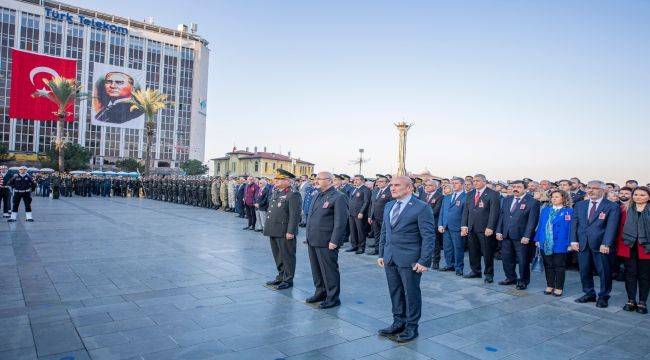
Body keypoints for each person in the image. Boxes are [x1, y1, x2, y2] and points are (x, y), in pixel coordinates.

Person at [377, 176, 435, 343]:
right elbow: (384, 232)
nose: (392, 188)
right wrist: (381, 253)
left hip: (410, 259)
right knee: (395, 292)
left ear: (409, 188)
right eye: (391, 185)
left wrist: (424, 261)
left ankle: (411, 327)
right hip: (390, 257)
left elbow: (428, 236)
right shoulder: (389, 205)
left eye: (397, 185)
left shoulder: (421, 207)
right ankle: (398, 322)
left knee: (411, 293)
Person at [571, 180, 621, 308]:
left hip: (601, 245)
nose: (590, 190)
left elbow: (612, 227)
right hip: (583, 243)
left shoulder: (612, 206)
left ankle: (603, 296)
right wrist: (573, 240)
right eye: (588, 188)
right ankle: (589, 293)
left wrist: (606, 243)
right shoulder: (580, 205)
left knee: (604, 271)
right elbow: (574, 224)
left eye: (594, 188)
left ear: (603, 190)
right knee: (584, 270)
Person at [305, 172, 348, 309]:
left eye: (319, 179)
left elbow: (340, 221)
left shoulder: (338, 197)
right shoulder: (317, 194)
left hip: (327, 240)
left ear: (329, 181)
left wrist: (334, 240)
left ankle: (333, 297)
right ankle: (320, 292)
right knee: (316, 268)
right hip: (313, 238)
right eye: (316, 178)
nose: (316, 181)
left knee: (329, 270)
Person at [496, 180, 540, 290]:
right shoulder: (507, 200)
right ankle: (510, 277)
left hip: (522, 237)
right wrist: (498, 231)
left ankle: (523, 281)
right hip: (506, 234)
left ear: (525, 189)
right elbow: (502, 216)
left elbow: (532, 221)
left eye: (519, 187)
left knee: (523, 260)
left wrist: (527, 235)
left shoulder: (532, 202)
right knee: (506, 258)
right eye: (514, 186)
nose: (516, 188)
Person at [263, 169, 302, 290]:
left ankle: (288, 279)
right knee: (278, 255)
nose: (276, 181)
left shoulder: (293, 194)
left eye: (279, 179)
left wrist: (291, 231)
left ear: (287, 181)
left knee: (287, 256)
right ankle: (280, 276)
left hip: (284, 231)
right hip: (274, 229)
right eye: (276, 179)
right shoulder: (277, 192)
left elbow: (294, 215)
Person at [461, 174, 501, 283]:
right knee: (473, 251)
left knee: (487, 252)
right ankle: (475, 271)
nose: (475, 182)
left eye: (478, 180)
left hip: (485, 228)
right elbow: (466, 211)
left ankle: (489, 274)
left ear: (484, 181)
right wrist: (464, 226)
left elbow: (494, 212)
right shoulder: (470, 194)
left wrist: (490, 227)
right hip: (472, 227)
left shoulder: (493, 194)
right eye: (474, 181)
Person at [534, 190, 573, 296]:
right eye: (553, 197)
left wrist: (570, 243)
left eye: (557, 197)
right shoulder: (546, 210)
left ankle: (559, 287)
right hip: (545, 241)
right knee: (548, 265)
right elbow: (541, 225)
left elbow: (571, 229)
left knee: (559, 265)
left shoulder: (569, 211)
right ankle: (550, 285)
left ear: (564, 199)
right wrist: (537, 239)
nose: (554, 198)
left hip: (561, 242)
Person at [618, 186, 650, 314]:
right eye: (636, 194)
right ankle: (631, 300)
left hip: (646, 248)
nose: (638, 197)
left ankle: (642, 302)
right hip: (628, 246)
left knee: (644, 276)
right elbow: (619, 229)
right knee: (630, 274)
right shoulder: (624, 209)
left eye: (642, 195)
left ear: (648, 197)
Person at [438, 177, 467, 276]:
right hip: (446, 226)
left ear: (462, 184)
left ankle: (458, 267)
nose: (454, 185)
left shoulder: (466, 197)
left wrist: (464, 226)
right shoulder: (447, 197)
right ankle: (449, 265)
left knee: (458, 248)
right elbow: (442, 211)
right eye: (453, 183)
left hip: (458, 226)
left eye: (456, 183)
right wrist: (440, 224)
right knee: (447, 247)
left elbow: (465, 214)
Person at [419, 179, 444, 269]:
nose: (427, 187)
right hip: (421, 222)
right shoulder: (423, 195)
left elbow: (436, 210)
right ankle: (424, 260)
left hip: (433, 223)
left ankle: (435, 262)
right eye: (426, 185)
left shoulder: (440, 196)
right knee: (422, 242)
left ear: (435, 187)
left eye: (429, 185)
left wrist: (422, 216)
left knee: (435, 243)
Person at [346, 175, 371, 254]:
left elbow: (366, 202)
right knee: (353, 231)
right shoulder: (353, 189)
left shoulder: (365, 189)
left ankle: (361, 247)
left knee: (360, 231)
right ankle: (354, 246)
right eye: (354, 179)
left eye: (357, 180)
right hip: (351, 213)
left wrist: (361, 212)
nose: (355, 181)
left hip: (359, 214)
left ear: (362, 181)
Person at [368, 175, 392, 256]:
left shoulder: (390, 191)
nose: (379, 183)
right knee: (377, 234)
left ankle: (385, 251)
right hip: (375, 217)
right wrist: (370, 216)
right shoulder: (375, 190)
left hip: (384, 218)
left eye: (382, 181)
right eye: (378, 181)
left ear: (387, 183)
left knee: (385, 235)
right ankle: (377, 249)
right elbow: (372, 204)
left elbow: (392, 205)